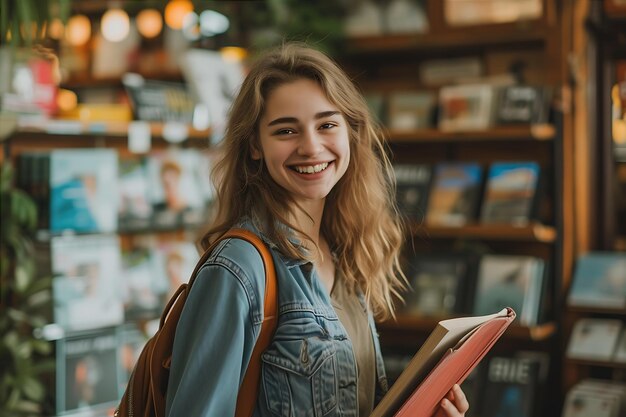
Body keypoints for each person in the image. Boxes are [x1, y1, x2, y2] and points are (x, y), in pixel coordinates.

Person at [165, 42, 469, 417]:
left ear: (350, 132)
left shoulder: (344, 250)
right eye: (285, 131)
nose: (311, 147)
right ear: (255, 146)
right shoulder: (238, 268)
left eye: (326, 124)